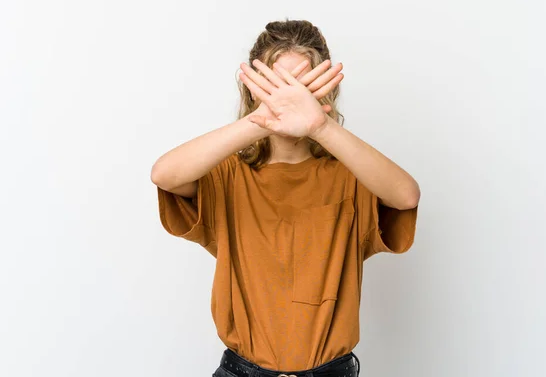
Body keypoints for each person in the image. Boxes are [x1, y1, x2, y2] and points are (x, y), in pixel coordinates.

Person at [151, 19, 420, 377]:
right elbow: (164, 175)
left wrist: (321, 127)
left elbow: (406, 196)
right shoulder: (229, 174)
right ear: (252, 89)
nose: (291, 98)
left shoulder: (351, 174)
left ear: (326, 91)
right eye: (276, 85)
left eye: (303, 85)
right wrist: (260, 118)